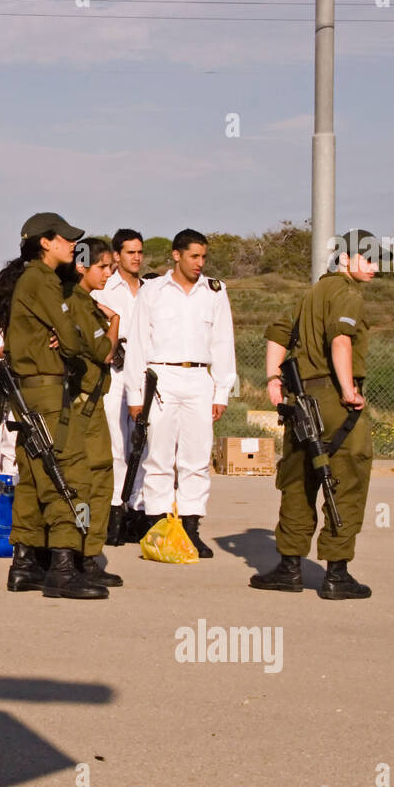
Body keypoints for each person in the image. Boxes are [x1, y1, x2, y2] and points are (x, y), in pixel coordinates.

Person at [250, 230, 390, 600]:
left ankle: (289, 567)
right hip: (332, 399)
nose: (375, 268)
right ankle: (337, 572)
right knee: (346, 477)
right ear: (345, 260)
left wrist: (272, 378)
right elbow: (340, 339)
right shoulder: (347, 294)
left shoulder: (310, 295)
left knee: (299, 481)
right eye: (368, 259)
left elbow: (278, 332)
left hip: (301, 400)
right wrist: (347, 389)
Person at [0, 213, 108, 600]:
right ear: (45, 242)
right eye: (65, 239)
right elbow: (75, 341)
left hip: (29, 391)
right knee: (69, 472)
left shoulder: (30, 280)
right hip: (46, 391)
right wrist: (72, 340)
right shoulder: (41, 281)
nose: (71, 246)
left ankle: (25, 563)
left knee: (33, 477)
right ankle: (63, 566)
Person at [124, 229, 235, 558]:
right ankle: (158, 527)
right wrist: (135, 394)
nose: (200, 263)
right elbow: (138, 344)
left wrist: (222, 390)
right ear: (176, 255)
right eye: (194, 256)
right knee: (157, 457)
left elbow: (223, 343)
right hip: (161, 378)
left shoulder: (214, 292)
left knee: (197, 459)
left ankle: (190, 527)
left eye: (203, 257)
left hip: (199, 378)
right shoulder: (154, 291)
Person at [68, 237, 122, 585]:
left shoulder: (84, 303)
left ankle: (87, 552)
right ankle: (81, 555)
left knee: (100, 476)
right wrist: (114, 319)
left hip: (91, 401)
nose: (107, 274)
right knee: (88, 481)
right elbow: (105, 352)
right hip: (79, 405)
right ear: (81, 266)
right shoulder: (77, 304)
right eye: (102, 267)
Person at [91, 228, 146, 545]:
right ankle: (113, 511)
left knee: (141, 441)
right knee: (115, 441)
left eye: (140, 252)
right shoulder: (104, 287)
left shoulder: (151, 289)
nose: (136, 258)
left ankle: (138, 509)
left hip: (143, 368)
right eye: (130, 252)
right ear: (116, 255)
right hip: (115, 366)